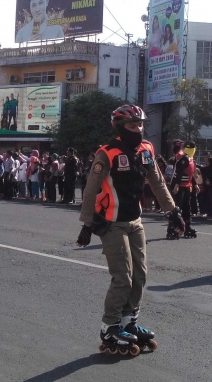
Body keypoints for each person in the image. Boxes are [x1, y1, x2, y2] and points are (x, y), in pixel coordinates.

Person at [76, 104, 183, 355]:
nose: (139, 129)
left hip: (135, 221)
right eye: (133, 125)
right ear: (120, 127)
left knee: (140, 275)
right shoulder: (107, 153)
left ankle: (129, 322)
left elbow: (156, 180)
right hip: (111, 222)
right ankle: (109, 326)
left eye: (141, 124)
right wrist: (87, 224)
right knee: (122, 276)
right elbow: (91, 189)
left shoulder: (146, 149)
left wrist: (173, 210)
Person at [169, 140, 198, 238]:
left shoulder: (190, 159)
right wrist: (177, 185)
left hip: (186, 186)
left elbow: (190, 174)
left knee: (187, 208)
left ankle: (187, 227)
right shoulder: (184, 158)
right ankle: (173, 228)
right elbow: (179, 171)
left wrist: (195, 184)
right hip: (179, 186)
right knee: (177, 208)